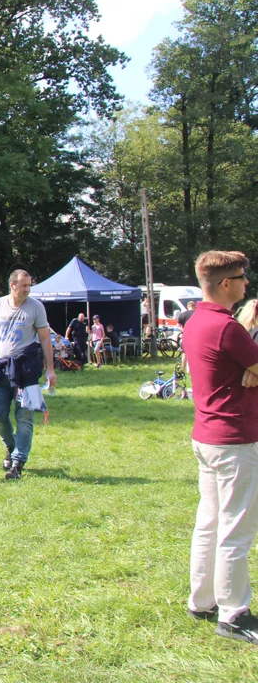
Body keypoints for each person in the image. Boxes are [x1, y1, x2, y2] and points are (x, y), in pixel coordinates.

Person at [183, 251, 258, 644]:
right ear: (226, 284)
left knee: (209, 523)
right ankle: (234, 613)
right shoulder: (229, 329)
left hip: (207, 436)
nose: (247, 284)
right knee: (236, 529)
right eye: (242, 278)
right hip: (235, 440)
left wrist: (250, 368)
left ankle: (202, 601)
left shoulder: (196, 321)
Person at [0, 269, 55, 480]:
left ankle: (17, 463)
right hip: (1, 366)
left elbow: (45, 338)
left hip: (27, 368)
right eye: (24, 285)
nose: (28, 289)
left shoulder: (36, 307)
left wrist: (50, 369)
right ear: (13, 285)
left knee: (24, 417)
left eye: (29, 286)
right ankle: (11, 446)